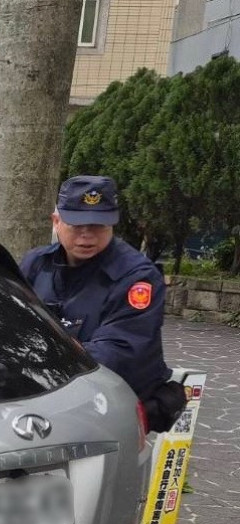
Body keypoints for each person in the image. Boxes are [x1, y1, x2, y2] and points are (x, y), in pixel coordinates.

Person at [20, 175, 186, 432]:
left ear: (113, 224)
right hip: (45, 401)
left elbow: (119, 353)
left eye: (98, 226)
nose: (87, 237)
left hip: (111, 408)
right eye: (77, 225)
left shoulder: (136, 277)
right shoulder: (36, 264)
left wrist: (46, 354)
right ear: (57, 222)